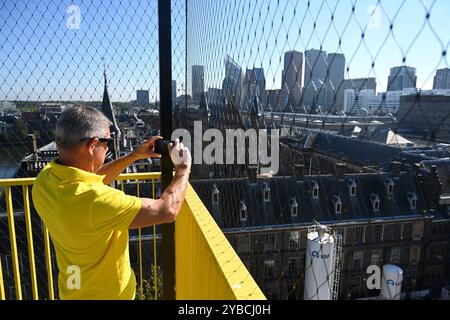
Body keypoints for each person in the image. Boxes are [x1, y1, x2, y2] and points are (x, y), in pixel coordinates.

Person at [32, 105, 191, 300]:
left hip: (73, 290)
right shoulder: (97, 201)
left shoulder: (45, 181)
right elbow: (167, 210)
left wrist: (135, 155)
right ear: (92, 146)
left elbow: (91, 179)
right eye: (107, 143)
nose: (108, 148)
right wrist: (183, 168)